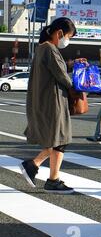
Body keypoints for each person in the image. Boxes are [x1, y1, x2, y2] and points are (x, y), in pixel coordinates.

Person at [19, 17, 77, 194]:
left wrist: (71, 64)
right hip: (53, 102)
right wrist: (80, 86)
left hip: (48, 100)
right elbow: (62, 76)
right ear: (59, 33)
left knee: (58, 139)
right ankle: (49, 178)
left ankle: (36, 167)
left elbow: (56, 70)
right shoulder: (50, 49)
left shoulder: (42, 48)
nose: (67, 41)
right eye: (68, 36)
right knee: (60, 139)